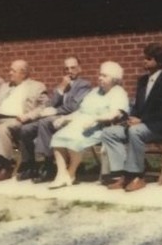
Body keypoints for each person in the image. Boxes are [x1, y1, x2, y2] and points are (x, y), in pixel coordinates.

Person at [103, 43, 162, 193]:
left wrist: (143, 120)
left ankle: (136, 176)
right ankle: (123, 174)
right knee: (109, 133)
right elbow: (138, 107)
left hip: (161, 127)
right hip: (141, 125)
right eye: (144, 58)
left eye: (148, 58)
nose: (144, 61)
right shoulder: (142, 81)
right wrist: (130, 116)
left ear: (159, 62)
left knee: (135, 132)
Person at [47, 61, 129, 190]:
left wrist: (95, 119)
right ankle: (61, 174)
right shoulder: (95, 91)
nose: (100, 78)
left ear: (114, 78)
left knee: (74, 140)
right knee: (58, 137)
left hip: (102, 127)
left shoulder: (118, 92)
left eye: (104, 76)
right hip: (81, 122)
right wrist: (65, 118)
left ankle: (71, 172)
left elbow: (115, 114)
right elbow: (81, 111)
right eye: (100, 75)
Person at [16, 56, 92, 182]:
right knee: (26, 129)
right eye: (66, 68)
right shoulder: (63, 85)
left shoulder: (84, 85)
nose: (69, 71)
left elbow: (74, 106)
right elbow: (51, 103)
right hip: (56, 117)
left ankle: (48, 164)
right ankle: (29, 164)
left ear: (79, 69)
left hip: (71, 118)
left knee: (45, 122)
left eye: (73, 68)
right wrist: (61, 88)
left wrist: (56, 111)